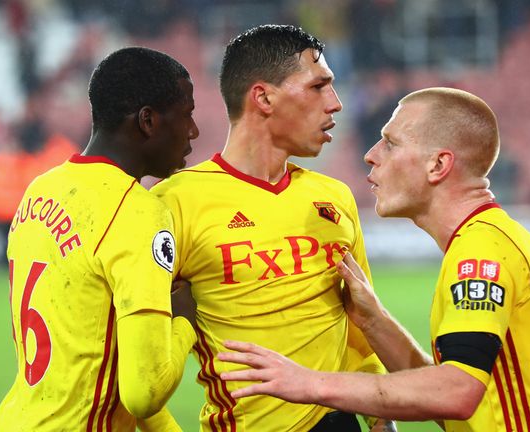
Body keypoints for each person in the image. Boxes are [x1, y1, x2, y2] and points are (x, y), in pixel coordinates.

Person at [218, 87, 530, 431]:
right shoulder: (487, 239)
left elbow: (455, 393)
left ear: (438, 165)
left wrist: (310, 383)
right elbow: (448, 391)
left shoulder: (479, 254)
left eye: (391, 143)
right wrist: (374, 321)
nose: (371, 155)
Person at [148, 24, 392, 432]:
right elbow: (132, 360)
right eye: (318, 87)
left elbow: (360, 334)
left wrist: (382, 423)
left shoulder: (333, 197)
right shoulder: (173, 204)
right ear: (263, 97)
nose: (336, 104)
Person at [0, 47, 200, 431]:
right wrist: (185, 321)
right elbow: (145, 390)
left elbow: (110, 365)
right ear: (148, 121)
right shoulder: (138, 212)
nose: (193, 131)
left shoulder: (42, 190)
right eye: (186, 115)